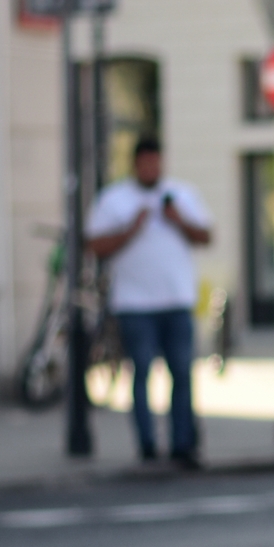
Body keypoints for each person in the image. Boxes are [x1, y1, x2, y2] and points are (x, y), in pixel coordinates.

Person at [83, 136, 212, 466]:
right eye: (146, 163)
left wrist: (177, 219)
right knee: (140, 372)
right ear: (135, 164)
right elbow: (95, 244)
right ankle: (147, 444)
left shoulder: (181, 195)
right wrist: (130, 229)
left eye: (157, 162)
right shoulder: (115, 199)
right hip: (134, 304)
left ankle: (182, 443)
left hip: (176, 299)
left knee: (181, 372)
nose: (152, 168)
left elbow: (206, 235)